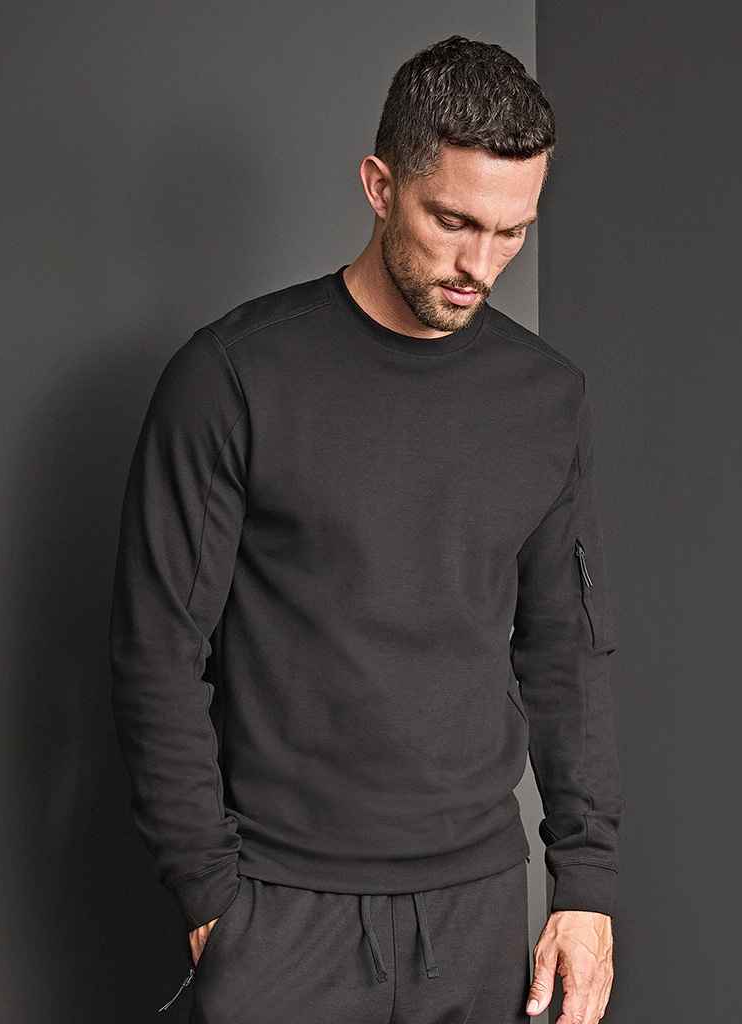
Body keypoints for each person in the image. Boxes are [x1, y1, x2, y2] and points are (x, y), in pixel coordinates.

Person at [109, 33, 623, 1024]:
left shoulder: (545, 398)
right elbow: (156, 653)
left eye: (512, 232)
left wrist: (587, 883)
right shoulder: (233, 378)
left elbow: (568, 649)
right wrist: (208, 892)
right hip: (280, 909)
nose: (480, 264)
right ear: (380, 186)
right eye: (453, 221)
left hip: (477, 912)